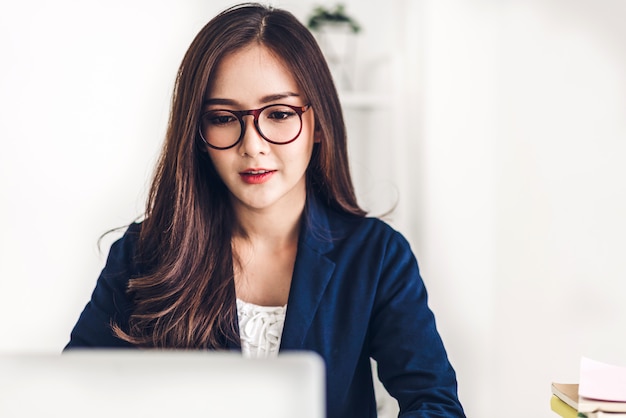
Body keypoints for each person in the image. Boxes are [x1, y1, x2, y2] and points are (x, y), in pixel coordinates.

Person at [65, 3, 465, 417]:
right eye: (222, 117)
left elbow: (434, 403)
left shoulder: (376, 256)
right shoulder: (142, 253)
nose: (252, 145)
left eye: (278, 114)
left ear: (319, 124)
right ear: (198, 135)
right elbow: (70, 397)